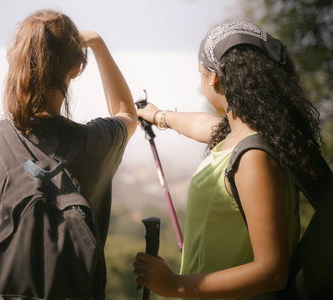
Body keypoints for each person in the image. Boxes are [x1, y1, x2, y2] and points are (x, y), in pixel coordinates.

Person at [0, 9, 137, 298]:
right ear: (76, 68)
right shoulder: (97, 142)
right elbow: (126, 113)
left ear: (16, 64)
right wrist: (97, 43)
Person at [133, 21, 324, 299]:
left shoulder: (253, 157)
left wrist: (175, 285)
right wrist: (157, 115)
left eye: (200, 74)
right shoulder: (245, 136)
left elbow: (272, 271)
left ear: (215, 78)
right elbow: (201, 126)